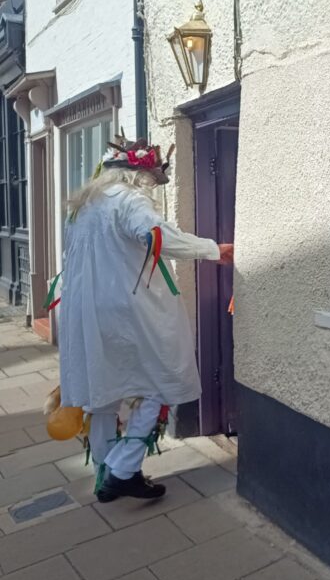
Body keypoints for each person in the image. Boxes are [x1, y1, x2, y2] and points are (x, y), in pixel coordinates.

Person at [57, 137, 233, 503]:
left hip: (87, 311)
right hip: (129, 310)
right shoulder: (129, 200)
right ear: (138, 176)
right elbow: (156, 235)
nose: (152, 186)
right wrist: (212, 249)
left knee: (103, 394)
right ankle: (122, 471)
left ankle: (107, 474)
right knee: (162, 380)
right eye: (151, 179)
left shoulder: (84, 208)